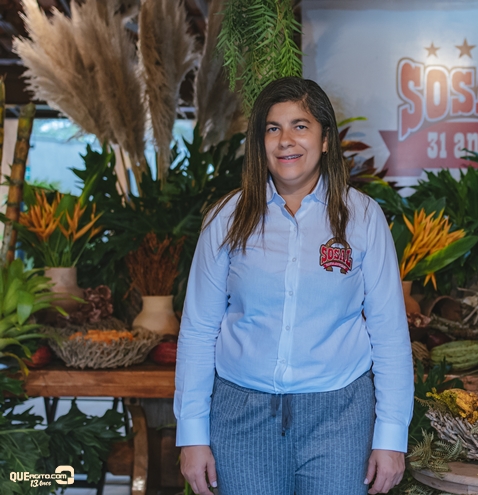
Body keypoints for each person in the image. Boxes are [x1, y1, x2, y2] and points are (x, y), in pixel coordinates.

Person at [174, 77, 414, 495]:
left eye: (300, 126)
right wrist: (192, 434)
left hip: (340, 418)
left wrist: (391, 437)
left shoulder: (362, 217)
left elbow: (389, 332)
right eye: (273, 128)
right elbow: (198, 329)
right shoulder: (226, 219)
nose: (286, 140)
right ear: (260, 142)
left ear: (325, 139)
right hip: (240, 419)